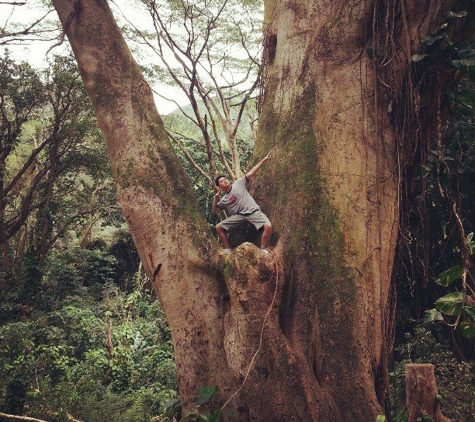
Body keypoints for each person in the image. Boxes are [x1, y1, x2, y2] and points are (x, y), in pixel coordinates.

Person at [212, 151, 273, 253]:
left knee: (268, 226)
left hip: (253, 212)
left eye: (225, 179)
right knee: (218, 227)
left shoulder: (238, 184)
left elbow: (252, 172)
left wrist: (264, 159)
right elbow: (214, 211)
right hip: (240, 216)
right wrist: (215, 200)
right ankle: (227, 250)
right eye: (222, 181)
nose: (225, 181)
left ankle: (263, 249)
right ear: (219, 187)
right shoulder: (224, 199)